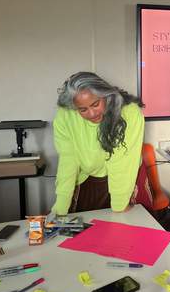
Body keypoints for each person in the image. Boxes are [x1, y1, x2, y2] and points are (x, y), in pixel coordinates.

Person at [51, 71, 145, 216]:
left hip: (125, 177)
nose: (92, 114)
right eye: (83, 110)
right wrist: (60, 207)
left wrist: (120, 205)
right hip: (87, 178)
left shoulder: (129, 113)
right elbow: (68, 160)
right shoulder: (65, 115)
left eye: (95, 104)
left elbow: (122, 162)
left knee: (123, 225)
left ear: (105, 95)